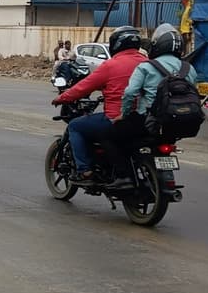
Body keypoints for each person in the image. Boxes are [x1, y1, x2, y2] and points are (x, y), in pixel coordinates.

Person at [52, 26, 146, 190]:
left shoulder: (111, 65)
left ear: (116, 44)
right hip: (144, 119)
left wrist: (62, 98)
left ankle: (85, 171)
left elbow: (83, 87)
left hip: (117, 117)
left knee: (76, 126)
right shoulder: (148, 63)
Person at [118, 22, 198, 139]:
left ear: (158, 45)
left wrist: (124, 114)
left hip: (148, 121)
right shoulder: (189, 68)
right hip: (180, 121)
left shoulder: (146, 67)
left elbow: (130, 93)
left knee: (116, 137)